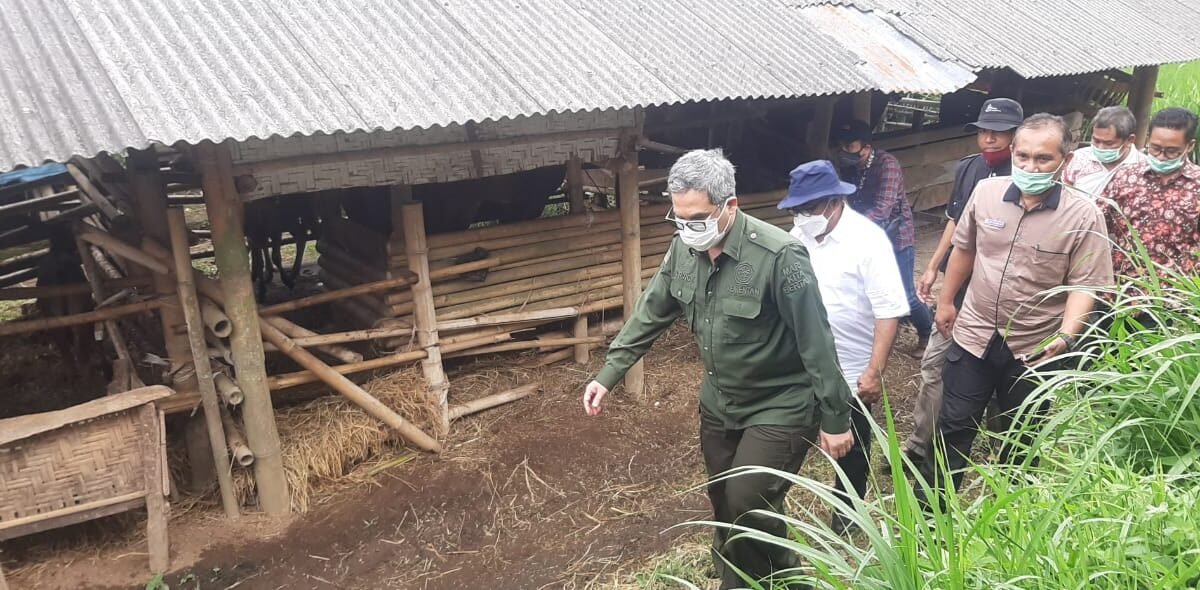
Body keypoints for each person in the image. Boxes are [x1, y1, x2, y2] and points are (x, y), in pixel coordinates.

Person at [582, 149, 854, 589]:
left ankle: (792, 583)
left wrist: (835, 417)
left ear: (730, 205)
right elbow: (651, 312)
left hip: (781, 401)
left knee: (748, 499)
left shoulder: (780, 256)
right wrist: (608, 374)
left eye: (698, 218)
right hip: (721, 402)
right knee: (724, 502)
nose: (688, 227)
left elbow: (816, 340)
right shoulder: (683, 249)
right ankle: (739, 582)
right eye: (679, 218)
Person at [918, 114, 1114, 506]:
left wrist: (1067, 335)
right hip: (974, 335)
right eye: (1022, 157)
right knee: (952, 427)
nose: (1030, 167)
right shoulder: (987, 193)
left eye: (1043, 159)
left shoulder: (1083, 215)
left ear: (1065, 160)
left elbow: (1084, 284)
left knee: (1021, 439)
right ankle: (931, 517)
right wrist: (946, 300)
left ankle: (1011, 518)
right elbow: (965, 249)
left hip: (1034, 347)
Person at [780, 160, 908, 535]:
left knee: (851, 440)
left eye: (810, 208)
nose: (803, 217)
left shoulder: (868, 241)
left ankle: (849, 512)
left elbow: (888, 311)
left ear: (835, 201)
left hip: (850, 364)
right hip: (802, 360)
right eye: (797, 209)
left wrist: (874, 371)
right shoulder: (797, 237)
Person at [904, 98, 1023, 463]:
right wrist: (933, 266)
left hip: (1002, 295)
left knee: (1001, 375)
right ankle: (919, 446)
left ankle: (1001, 452)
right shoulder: (969, 168)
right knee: (935, 366)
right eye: (984, 131)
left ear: (1017, 135)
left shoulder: (1026, 175)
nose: (989, 139)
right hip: (960, 289)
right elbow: (956, 222)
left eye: (998, 133)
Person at [833, 119, 931, 356]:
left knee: (906, 293)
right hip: (864, 238)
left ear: (866, 147)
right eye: (843, 146)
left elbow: (883, 209)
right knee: (866, 289)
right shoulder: (848, 166)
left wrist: (847, 226)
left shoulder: (887, 165)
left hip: (896, 236)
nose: (845, 151)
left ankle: (927, 333)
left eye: (851, 146)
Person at [1102, 107, 1200, 279]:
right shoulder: (1126, 176)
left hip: (1177, 288)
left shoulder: (1197, 186)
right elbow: (1097, 222)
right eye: (1155, 148)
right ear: (1148, 139)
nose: (1161, 157)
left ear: (1190, 146)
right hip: (1122, 285)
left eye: (1171, 151)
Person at [1063, 106, 1144, 199]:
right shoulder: (1078, 158)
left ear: (1129, 140)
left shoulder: (1143, 169)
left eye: (1109, 143)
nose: (1100, 147)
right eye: (1096, 140)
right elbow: (1062, 195)